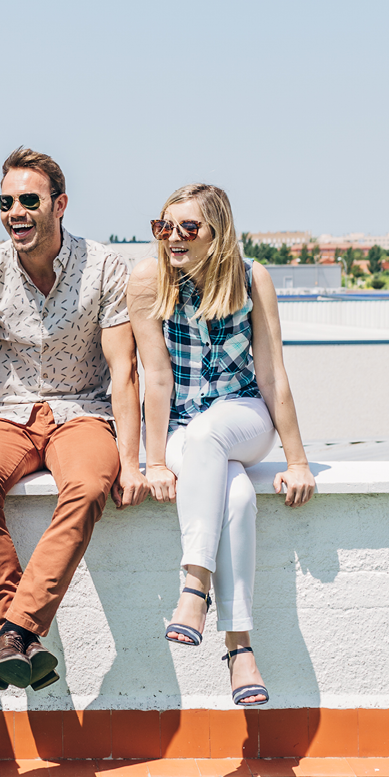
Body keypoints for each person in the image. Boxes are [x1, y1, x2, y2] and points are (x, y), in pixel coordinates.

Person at [0, 147, 149, 690]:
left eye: (29, 200)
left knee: (89, 485)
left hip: (83, 410)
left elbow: (125, 371)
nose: (15, 212)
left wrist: (133, 461)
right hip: (7, 411)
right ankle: (20, 638)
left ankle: (11, 633)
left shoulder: (104, 268)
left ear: (60, 204)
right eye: (6, 202)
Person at [126, 182, 316, 707]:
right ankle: (239, 650)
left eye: (189, 227)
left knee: (215, 434)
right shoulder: (148, 281)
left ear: (218, 232)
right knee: (234, 495)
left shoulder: (252, 278)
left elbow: (274, 375)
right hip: (185, 426)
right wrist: (157, 460)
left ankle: (194, 586)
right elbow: (156, 378)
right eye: (164, 226)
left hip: (245, 416)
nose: (174, 237)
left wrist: (297, 461)